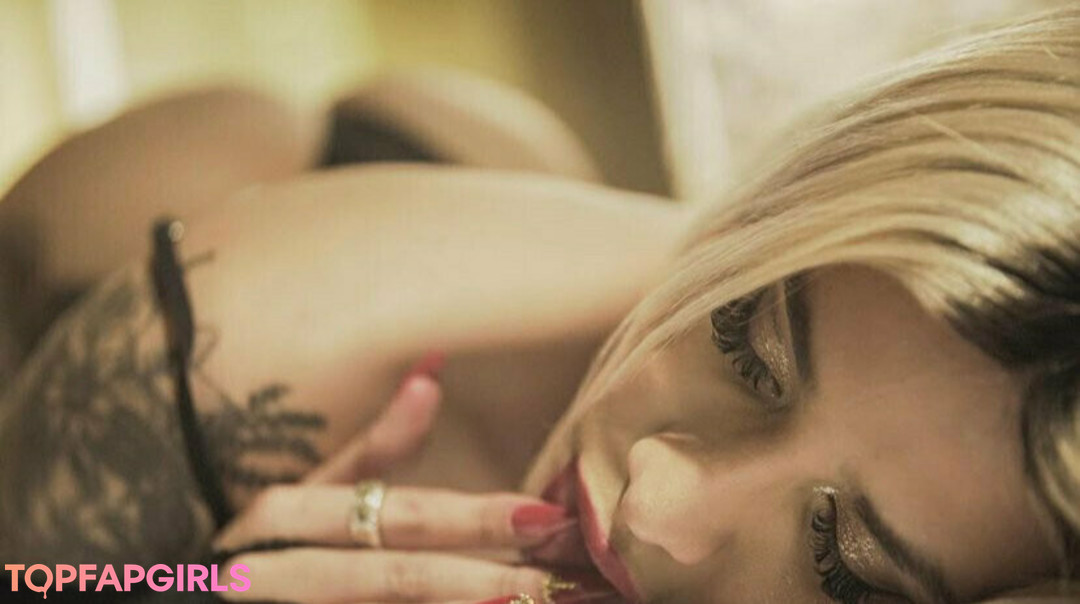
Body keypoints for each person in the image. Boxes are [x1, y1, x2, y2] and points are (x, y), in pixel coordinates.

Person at [2, 7, 1080, 603]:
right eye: (746, 348)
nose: (655, 504)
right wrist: (177, 589)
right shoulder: (262, 343)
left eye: (842, 565)